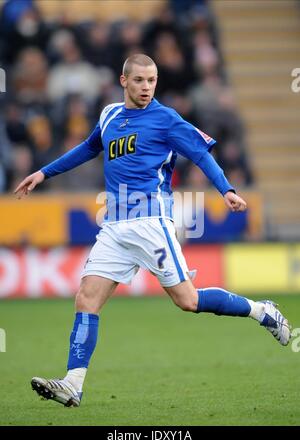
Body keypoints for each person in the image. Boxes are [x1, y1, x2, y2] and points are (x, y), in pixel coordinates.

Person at [14, 54, 291, 408]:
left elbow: (201, 153)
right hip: (114, 227)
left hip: (151, 223)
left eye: (152, 80)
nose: (147, 87)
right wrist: (44, 173)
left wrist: (227, 189)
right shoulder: (110, 115)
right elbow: (88, 147)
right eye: (140, 81)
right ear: (123, 81)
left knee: (187, 301)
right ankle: (73, 383)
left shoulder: (166, 119)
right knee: (86, 298)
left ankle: (260, 310)